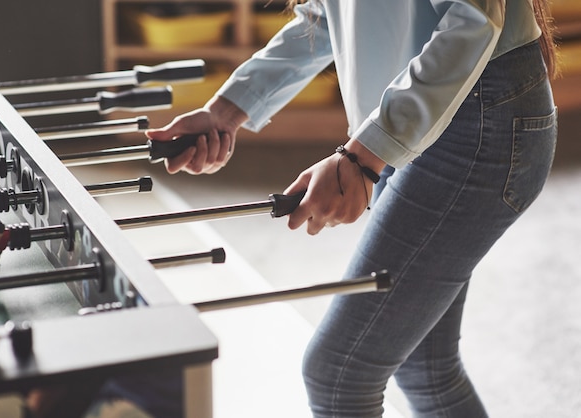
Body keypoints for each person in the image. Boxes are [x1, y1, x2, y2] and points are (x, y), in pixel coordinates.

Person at [146, 1, 558, 416]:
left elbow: (473, 20)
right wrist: (225, 110)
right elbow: (328, 17)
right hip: (410, 105)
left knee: (340, 375)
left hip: (478, 113)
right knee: (422, 366)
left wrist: (363, 156)